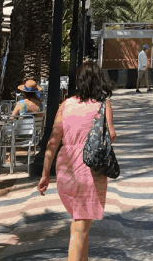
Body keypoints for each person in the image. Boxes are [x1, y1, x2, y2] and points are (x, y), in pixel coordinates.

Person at [39, 61, 116, 261]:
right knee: (80, 227)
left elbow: (53, 140)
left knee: (81, 223)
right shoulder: (102, 104)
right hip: (88, 168)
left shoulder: (65, 105)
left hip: (66, 166)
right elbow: (112, 135)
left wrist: (45, 173)